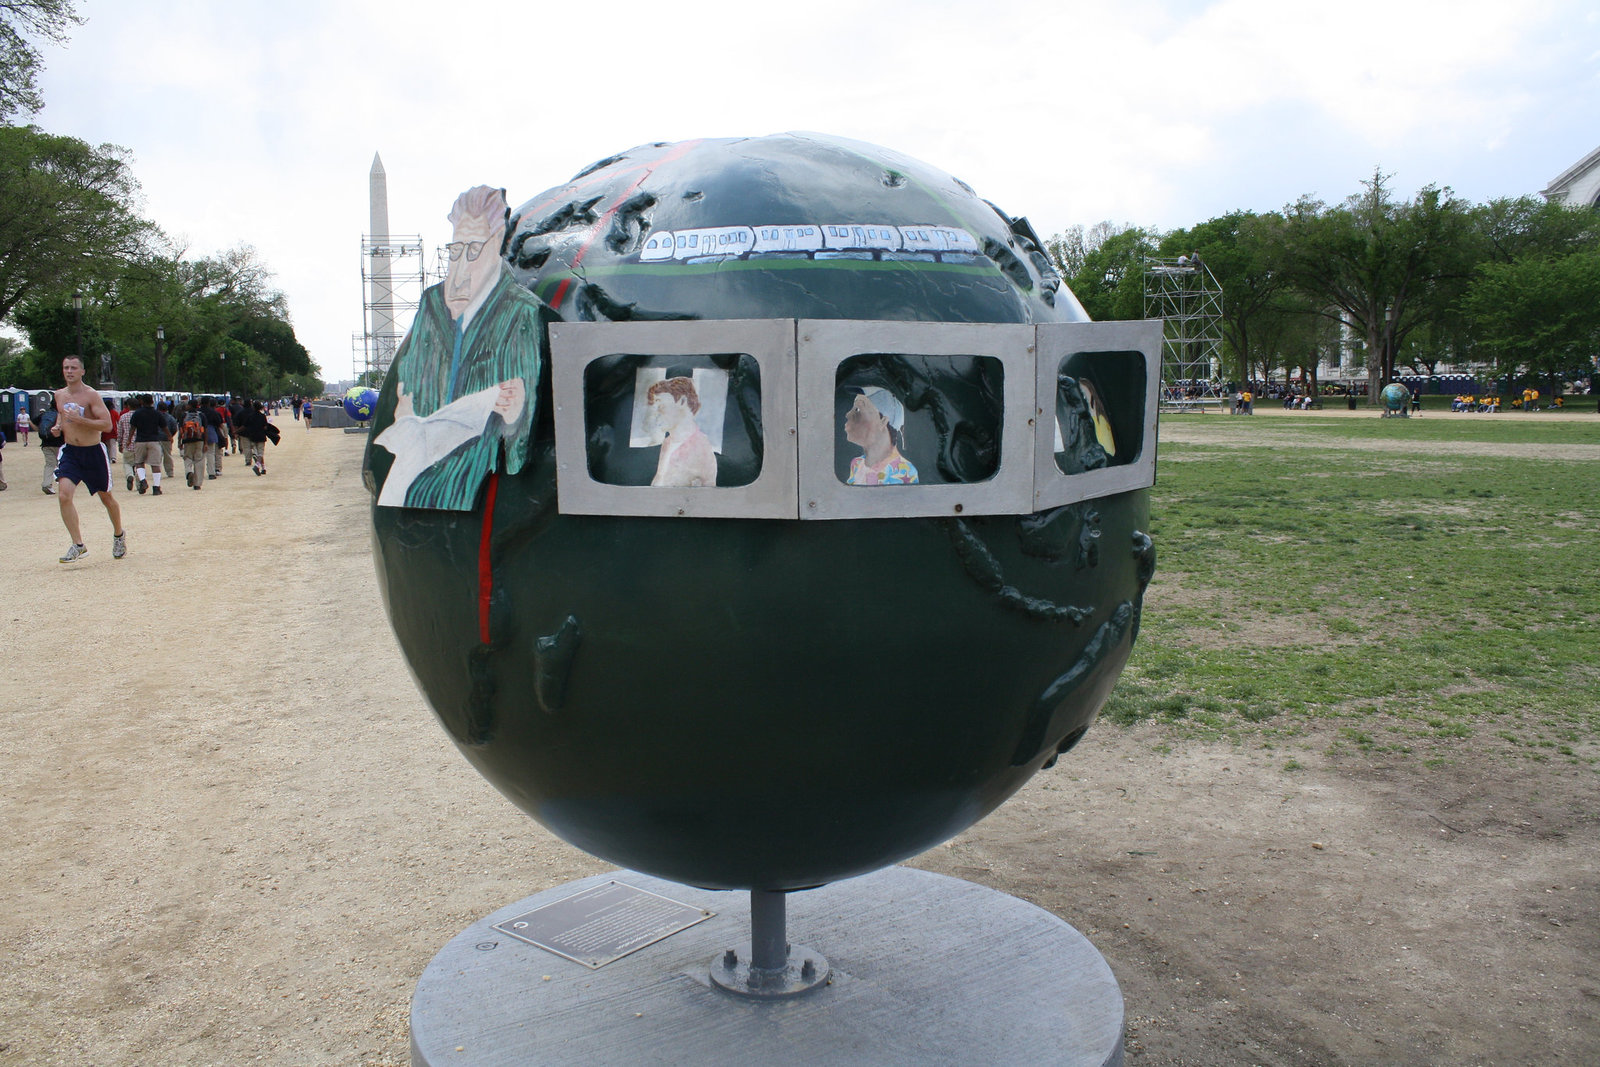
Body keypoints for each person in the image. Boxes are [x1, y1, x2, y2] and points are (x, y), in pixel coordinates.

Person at [372, 185, 544, 510]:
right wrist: (406, 410)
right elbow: (409, 387)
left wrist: (514, 409)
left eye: (474, 250)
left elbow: (521, 426)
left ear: (497, 244)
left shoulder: (521, 311)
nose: (461, 266)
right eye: (455, 250)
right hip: (416, 462)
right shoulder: (432, 303)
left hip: (474, 470)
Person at [50, 355, 126, 562]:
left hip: (93, 452)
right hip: (71, 452)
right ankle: (78, 544)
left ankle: (119, 534)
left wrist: (80, 420)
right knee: (64, 495)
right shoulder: (59, 395)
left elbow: (107, 425)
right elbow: (61, 415)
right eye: (66, 367)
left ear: (82, 371)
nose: (69, 371)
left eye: (74, 367)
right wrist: (58, 427)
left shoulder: (91, 395)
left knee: (106, 498)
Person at [644, 376, 716, 487]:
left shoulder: (700, 446)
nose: (656, 412)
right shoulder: (667, 442)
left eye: (660, 404)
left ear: (682, 401)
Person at [843, 385, 918, 485]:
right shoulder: (856, 464)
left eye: (858, 410)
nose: (848, 414)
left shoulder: (905, 473)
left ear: (883, 421)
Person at [128, 393, 166, 495]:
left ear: (141, 402)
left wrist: (129, 439)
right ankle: (156, 487)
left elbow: (132, 428)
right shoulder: (157, 413)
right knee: (155, 465)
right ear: (152, 401)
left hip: (140, 440)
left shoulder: (137, 413)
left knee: (139, 462)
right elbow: (164, 427)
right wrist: (169, 436)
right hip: (154, 440)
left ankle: (143, 480)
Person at [35, 396, 62, 494]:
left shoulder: (44, 414)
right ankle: (63, 482)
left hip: (46, 443)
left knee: (49, 464)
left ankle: (47, 484)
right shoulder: (61, 415)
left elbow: (34, 423)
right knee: (62, 463)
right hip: (59, 443)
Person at [178, 398, 207, 490]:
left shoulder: (184, 415)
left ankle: (189, 472)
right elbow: (205, 430)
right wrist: (205, 443)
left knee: (188, 458)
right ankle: (197, 483)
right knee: (199, 460)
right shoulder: (201, 415)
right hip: (199, 440)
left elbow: (181, 430)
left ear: (189, 406)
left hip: (187, 440)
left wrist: (180, 441)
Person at [237, 400, 270, 475]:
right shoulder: (262, 416)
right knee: (261, 453)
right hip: (261, 436)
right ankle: (257, 465)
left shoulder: (250, 416)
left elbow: (244, 426)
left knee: (257, 452)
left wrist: (236, 431)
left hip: (253, 436)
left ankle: (263, 468)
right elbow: (265, 427)